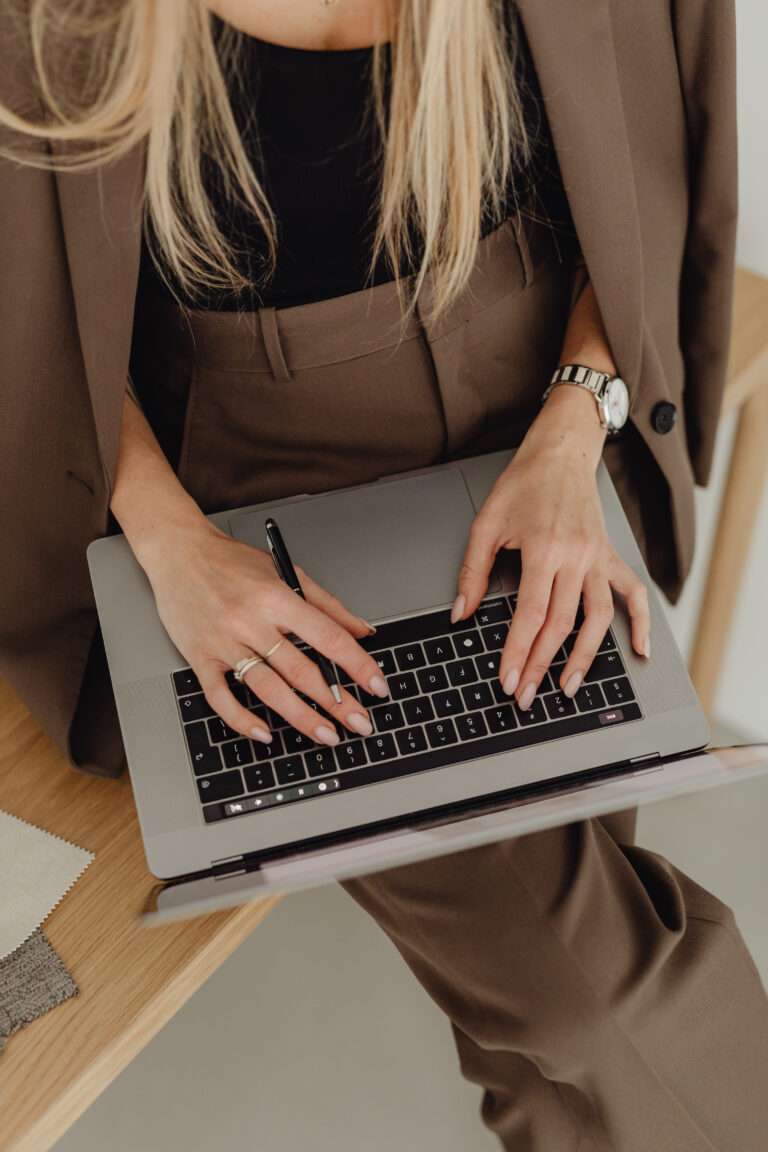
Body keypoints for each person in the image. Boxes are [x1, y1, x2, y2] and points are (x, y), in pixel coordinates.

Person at [1, 1, 767, 1147]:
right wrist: (167, 540)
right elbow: (25, 306)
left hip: (539, 417)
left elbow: (639, 171)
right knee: (598, 1002)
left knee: (565, 1028)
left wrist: (577, 421)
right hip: (259, 496)